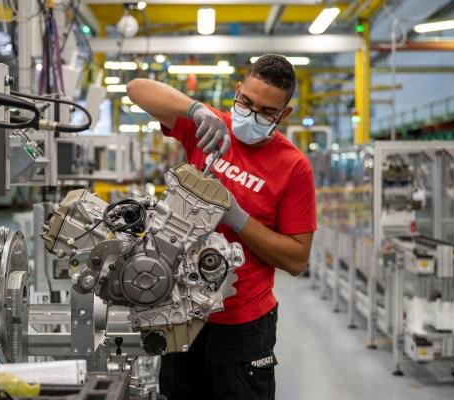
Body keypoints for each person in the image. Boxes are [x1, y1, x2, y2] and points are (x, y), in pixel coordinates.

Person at [126, 54, 317, 400]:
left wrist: (238, 218)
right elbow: (137, 89)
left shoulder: (294, 167)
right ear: (238, 90)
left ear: (283, 114)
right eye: (247, 102)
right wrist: (196, 110)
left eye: (266, 112)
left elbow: (296, 259)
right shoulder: (210, 128)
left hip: (243, 323)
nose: (252, 114)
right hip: (182, 311)